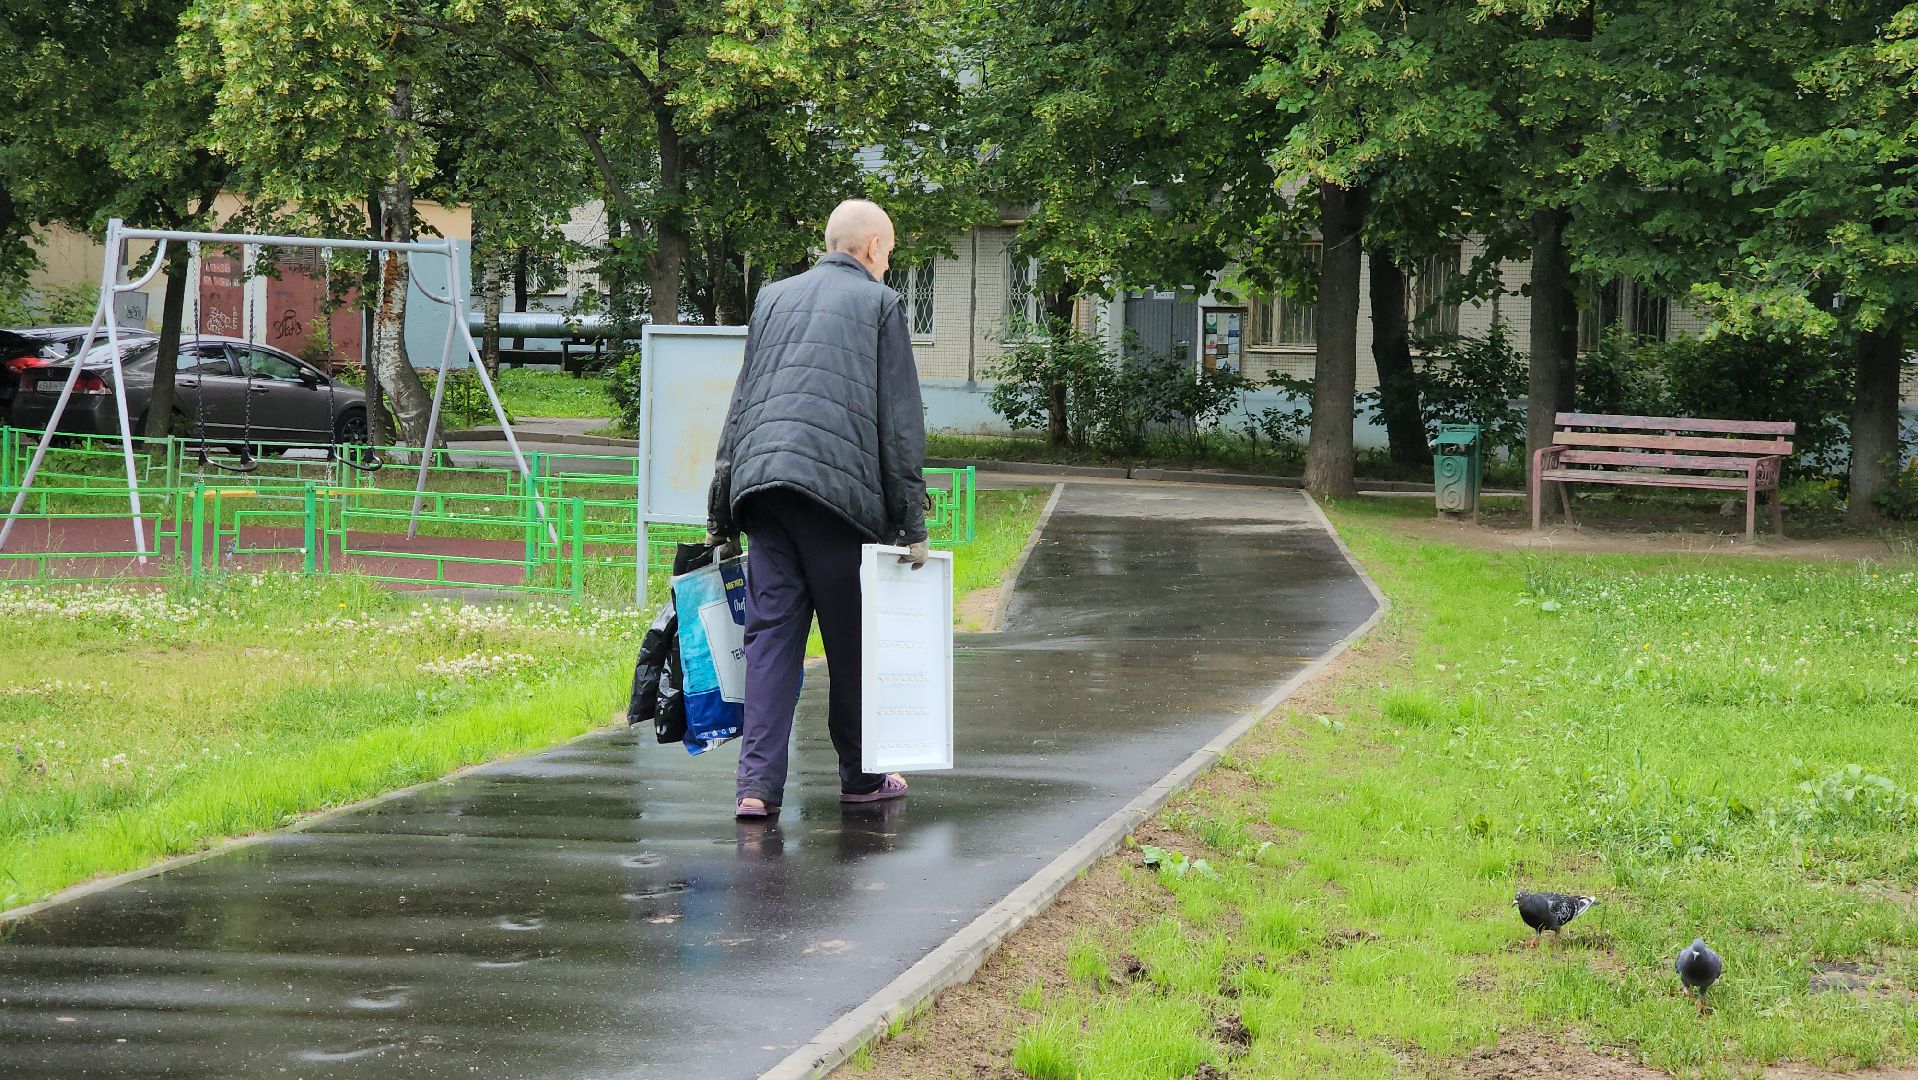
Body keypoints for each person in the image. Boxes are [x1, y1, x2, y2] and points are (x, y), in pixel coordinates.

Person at [707, 198, 929, 820]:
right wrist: (912, 522)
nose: (889, 261)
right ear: (870, 248)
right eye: (888, 251)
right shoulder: (880, 305)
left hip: (766, 494)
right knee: (851, 642)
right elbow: (899, 423)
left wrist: (720, 511)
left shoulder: (772, 298)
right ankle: (860, 778)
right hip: (840, 502)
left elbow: (742, 403)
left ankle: (755, 788)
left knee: (771, 640)